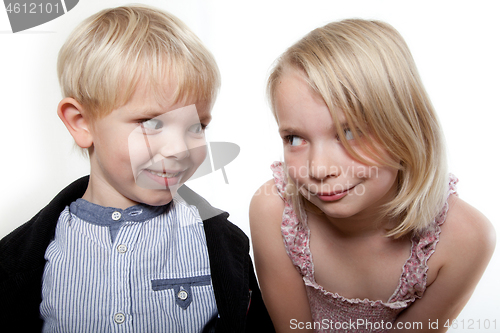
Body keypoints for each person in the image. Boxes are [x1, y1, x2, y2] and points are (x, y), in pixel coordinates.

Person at [0, 5, 272, 333]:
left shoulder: (225, 245)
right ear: (81, 122)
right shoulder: (17, 260)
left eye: (196, 125)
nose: (179, 149)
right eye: (152, 122)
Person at [250, 19, 495, 332]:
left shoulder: (465, 238)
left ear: (407, 126)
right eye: (295, 138)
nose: (319, 168)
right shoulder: (273, 211)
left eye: (349, 132)